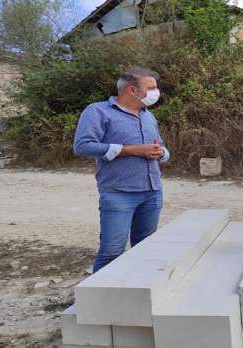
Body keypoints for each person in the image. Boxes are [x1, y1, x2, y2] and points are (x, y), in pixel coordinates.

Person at [73, 66, 170, 273]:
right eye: (151, 87)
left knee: (146, 248)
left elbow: (160, 146)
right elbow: (82, 146)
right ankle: (99, 301)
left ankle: (139, 292)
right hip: (119, 193)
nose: (156, 92)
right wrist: (132, 150)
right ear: (132, 90)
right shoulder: (98, 111)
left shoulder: (148, 116)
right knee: (111, 252)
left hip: (152, 192)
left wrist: (161, 153)